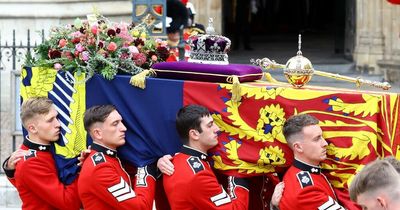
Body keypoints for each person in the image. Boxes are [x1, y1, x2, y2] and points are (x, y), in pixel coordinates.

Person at [163, 104, 249, 209]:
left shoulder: (174, 161)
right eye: (210, 125)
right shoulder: (199, 175)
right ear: (194, 134)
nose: (217, 128)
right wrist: (238, 172)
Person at [2, 97, 81, 210]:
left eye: (56, 118)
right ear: (32, 128)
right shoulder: (31, 162)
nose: (58, 124)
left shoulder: (39, 151)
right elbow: (68, 203)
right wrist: (82, 170)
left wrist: (10, 172)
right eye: (50, 120)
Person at [78, 104, 158, 210]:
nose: (124, 128)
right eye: (115, 124)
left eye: (121, 122)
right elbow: (140, 207)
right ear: (98, 133)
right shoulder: (100, 169)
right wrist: (147, 166)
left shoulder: (108, 159)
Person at [279, 114, 345, 210]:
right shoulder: (306, 190)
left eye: (322, 137)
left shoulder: (300, 173)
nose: (325, 143)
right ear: (298, 147)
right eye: (317, 139)